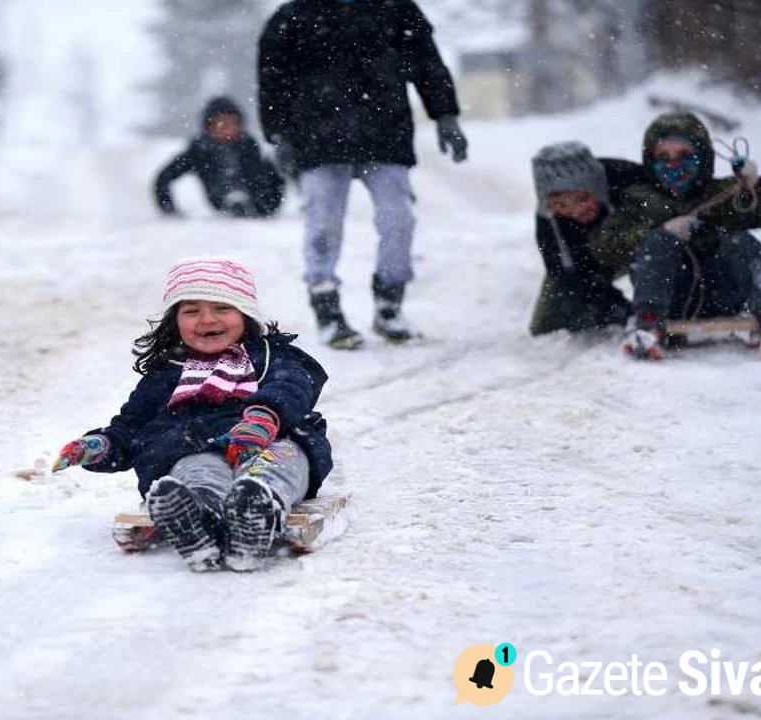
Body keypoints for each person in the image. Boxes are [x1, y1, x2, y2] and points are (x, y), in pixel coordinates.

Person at [50, 258, 333, 572]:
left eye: (222, 308)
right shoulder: (166, 373)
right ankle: (197, 519)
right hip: (196, 448)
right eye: (191, 310)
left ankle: (256, 510)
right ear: (175, 321)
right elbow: (131, 427)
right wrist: (99, 446)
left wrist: (264, 416)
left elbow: (292, 386)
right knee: (196, 471)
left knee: (277, 464)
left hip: (269, 442)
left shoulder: (271, 356)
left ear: (246, 314)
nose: (206, 319)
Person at [257, 0, 468, 349]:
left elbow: (427, 62)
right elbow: (273, 78)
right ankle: (326, 307)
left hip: (385, 132)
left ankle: (389, 304)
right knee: (323, 223)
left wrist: (446, 115)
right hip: (316, 136)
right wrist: (278, 133)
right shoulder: (292, 17)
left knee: (398, 219)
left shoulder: (396, 10)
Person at [591, 112, 761, 361]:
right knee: (657, 242)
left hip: (723, 292)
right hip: (669, 297)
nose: (673, 165)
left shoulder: (727, 193)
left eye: (684, 156)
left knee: (741, 240)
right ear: (650, 161)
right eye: (663, 157)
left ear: (703, 157)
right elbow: (603, 247)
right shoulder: (639, 199)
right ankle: (648, 325)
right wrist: (660, 231)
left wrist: (758, 186)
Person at [528, 142, 645, 336]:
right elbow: (566, 275)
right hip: (589, 259)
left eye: (582, 199)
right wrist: (620, 311)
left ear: (597, 188)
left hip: (639, 245)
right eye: (560, 205)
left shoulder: (630, 180)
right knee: (546, 325)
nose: (576, 211)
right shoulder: (548, 222)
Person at [153, 97, 285, 219]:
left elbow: (272, 179)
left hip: (260, 206)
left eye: (233, 124)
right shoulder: (199, 151)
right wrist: (168, 210)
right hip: (220, 200)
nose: (228, 130)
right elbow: (164, 177)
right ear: (208, 127)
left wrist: (269, 204)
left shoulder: (249, 146)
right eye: (221, 124)